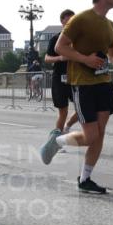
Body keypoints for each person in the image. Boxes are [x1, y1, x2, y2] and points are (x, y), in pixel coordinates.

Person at [39, 0, 113, 193]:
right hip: (82, 84)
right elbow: (60, 47)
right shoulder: (81, 19)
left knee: (100, 134)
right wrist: (85, 59)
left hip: (103, 83)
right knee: (90, 136)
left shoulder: (110, 25)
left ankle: (85, 179)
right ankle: (58, 141)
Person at [44, 9, 79, 137]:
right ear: (62, 21)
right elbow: (47, 58)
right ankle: (57, 141)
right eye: (69, 20)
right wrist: (60, 58)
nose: (72, 23)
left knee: (83, 109)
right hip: (60, 79)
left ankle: (67, 127)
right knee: (63, 112)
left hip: (76, 78)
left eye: (74, 20)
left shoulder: (79, 39)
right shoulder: (55, 39)